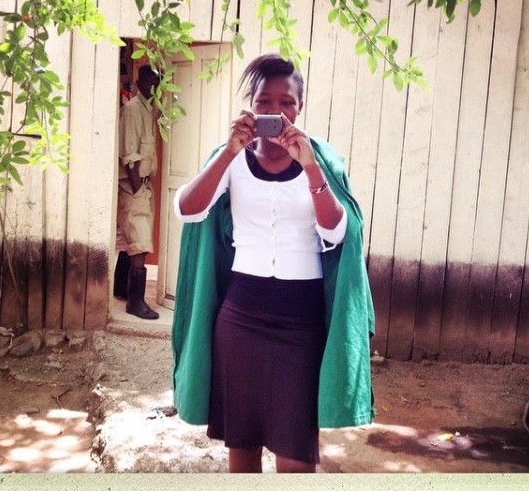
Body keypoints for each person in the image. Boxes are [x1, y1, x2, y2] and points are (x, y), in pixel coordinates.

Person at [171, 54, 375, 473]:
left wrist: (311, 167)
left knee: (296, 459)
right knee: (241, 451)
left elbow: (337, 233)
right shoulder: (231, 159)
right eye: (265, 102)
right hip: (241, 319)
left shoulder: (320, 160)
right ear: (252, 105)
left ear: (299, 108)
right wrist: (228, 152)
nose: (276, 112)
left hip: (300, 324)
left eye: (287, 102)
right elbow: (187, 210)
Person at [113, 65, 161, 320]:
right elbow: (129, 155)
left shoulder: (147, 109)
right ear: (139, 81)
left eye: (158, 81)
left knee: (130, 238)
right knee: (140, 241)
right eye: (151, 79)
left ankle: (120, 287)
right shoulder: (132, 110)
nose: (154, 85)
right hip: (133, 185)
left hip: (141, 183)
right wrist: (136, 187)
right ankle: (136, 303)